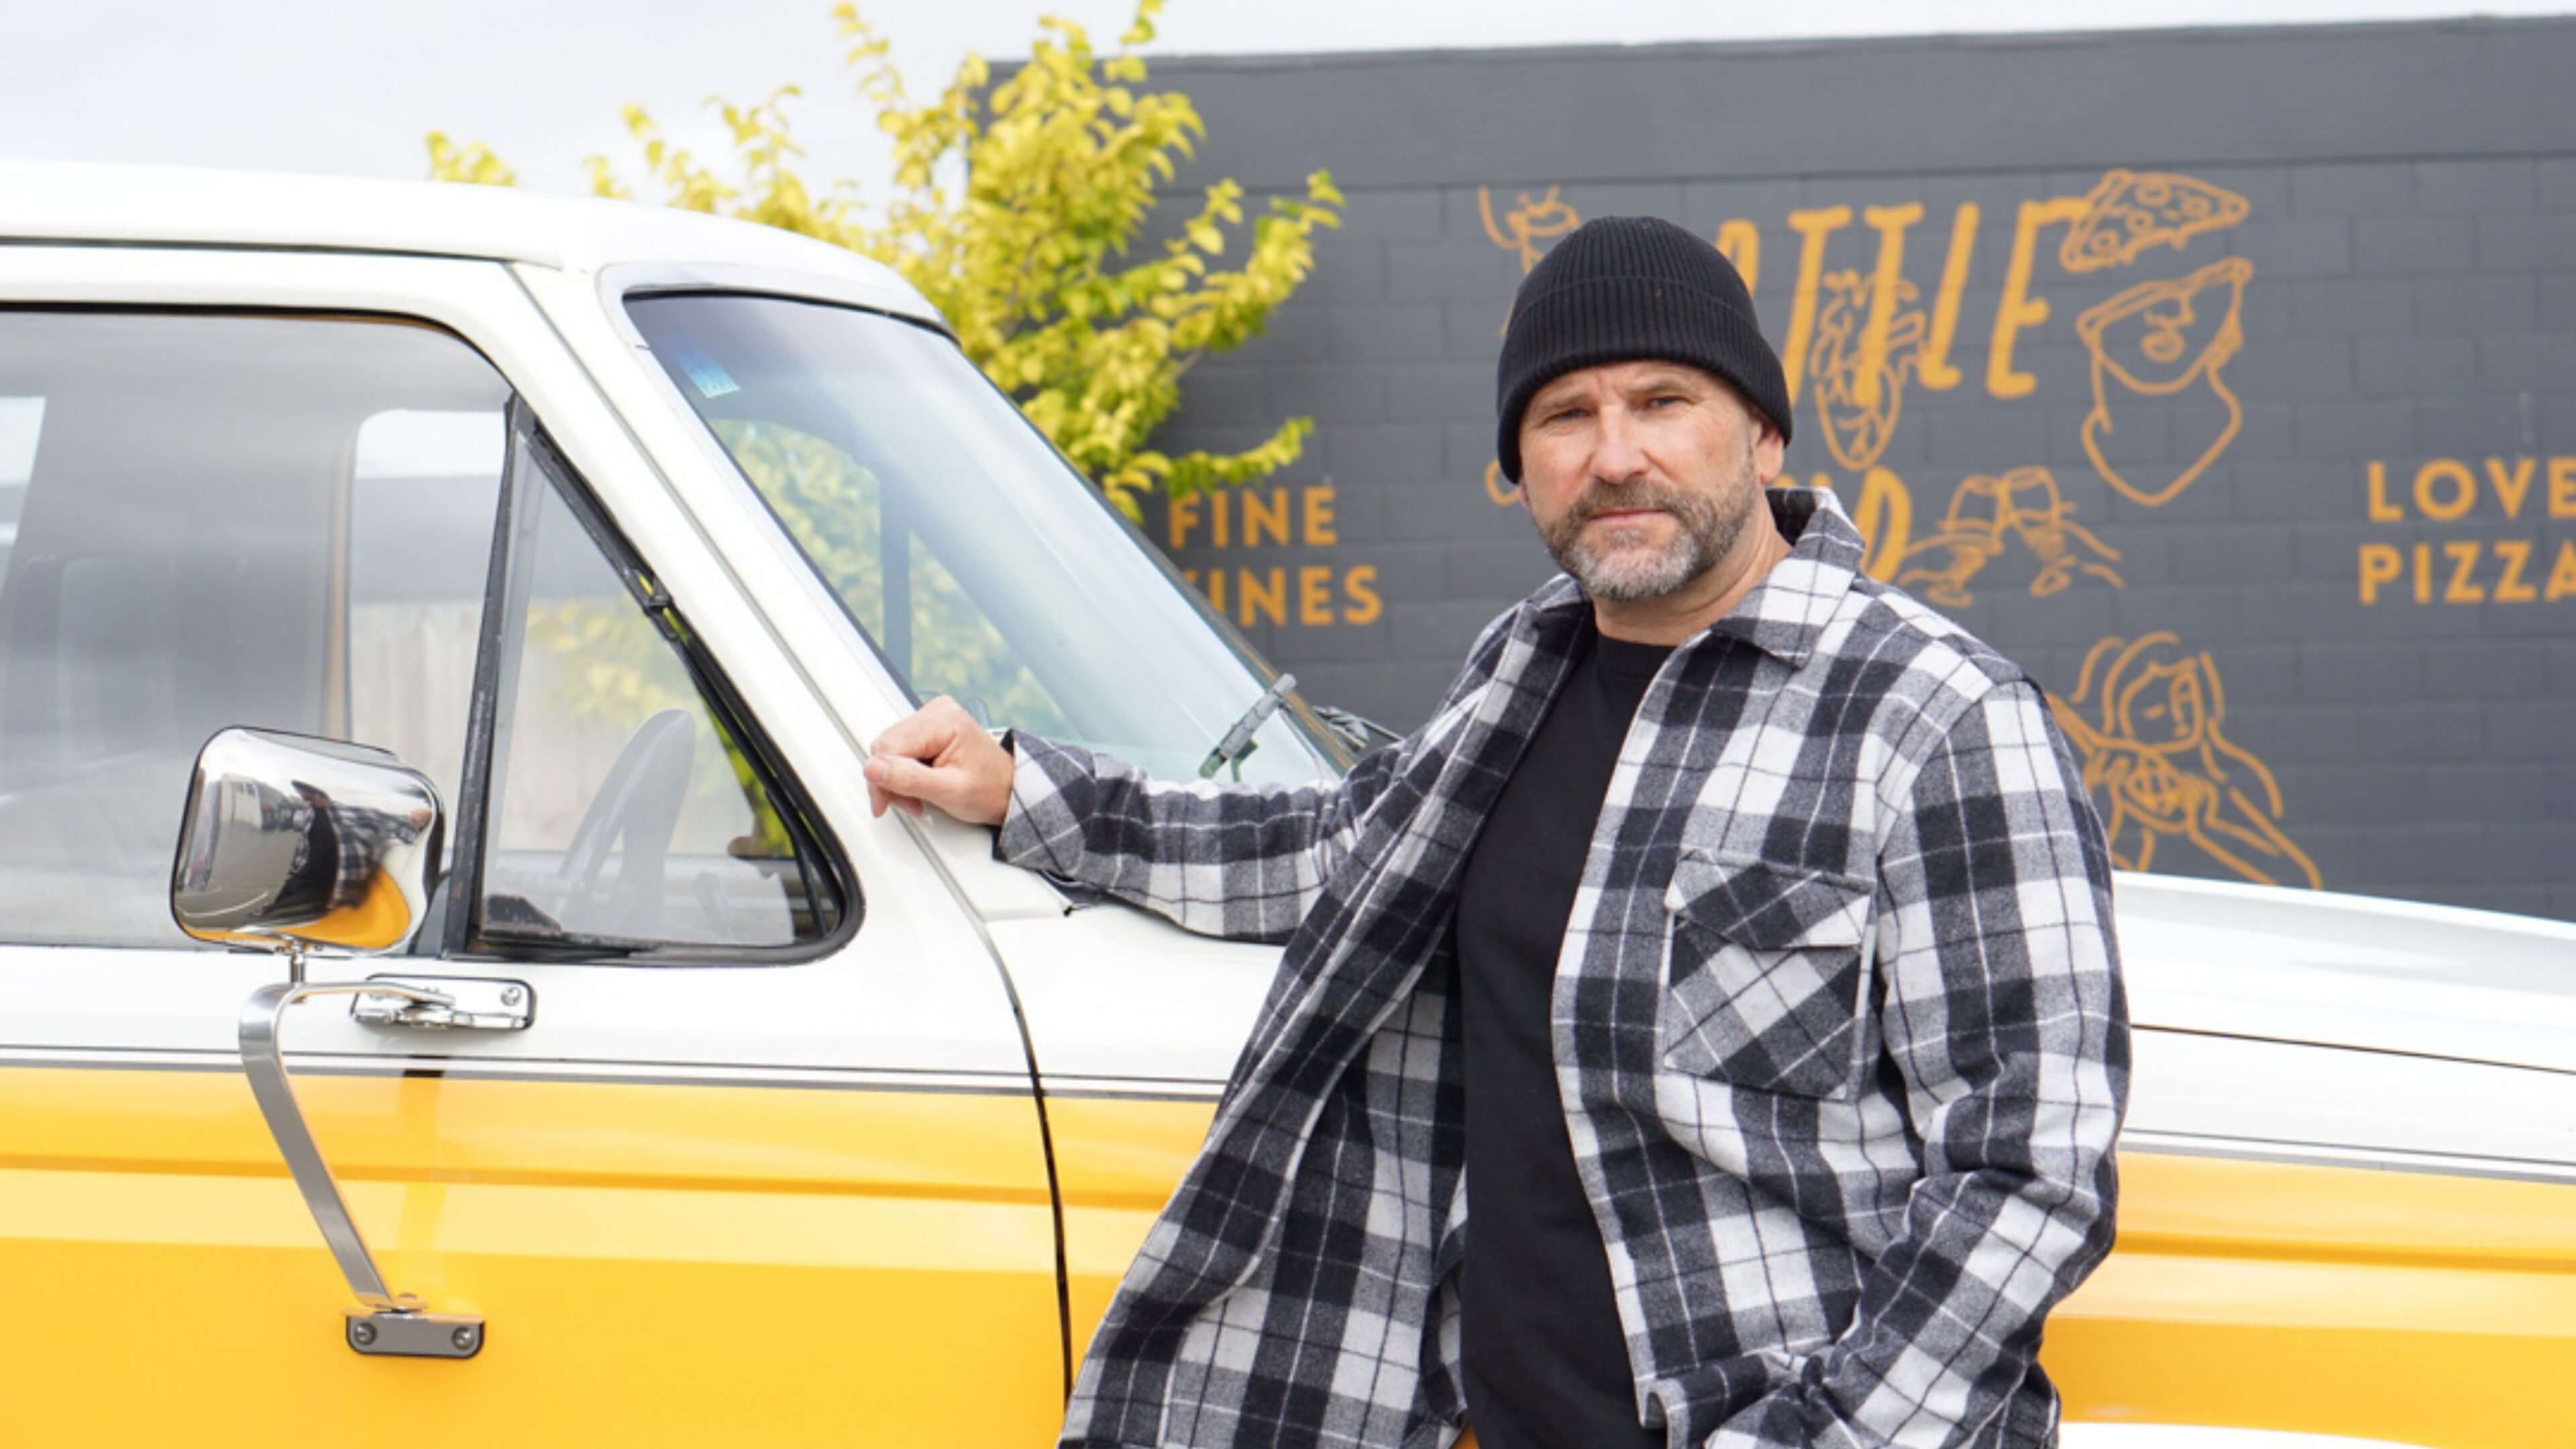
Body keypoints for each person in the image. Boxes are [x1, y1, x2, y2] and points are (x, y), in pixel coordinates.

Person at [863, 215, 2129, 1449]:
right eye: (1565, 417)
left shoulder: (1937, 716)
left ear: (1762, 429)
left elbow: (2028, 1170)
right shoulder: (1516, 680)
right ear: (1520, 465)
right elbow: (1336, 854)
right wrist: (1029, 792)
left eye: (1663, 400)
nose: (1615, 454)